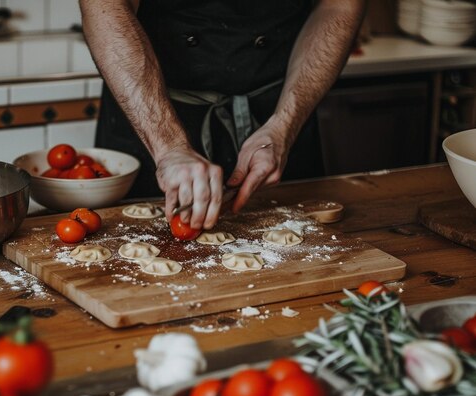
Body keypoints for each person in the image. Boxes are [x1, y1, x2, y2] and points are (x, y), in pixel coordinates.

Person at [80, 0, 366, 230]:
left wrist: (285, 125)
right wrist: (169, 146)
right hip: (151, 109)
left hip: (279, 108)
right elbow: (105, 6)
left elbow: (339, 5)